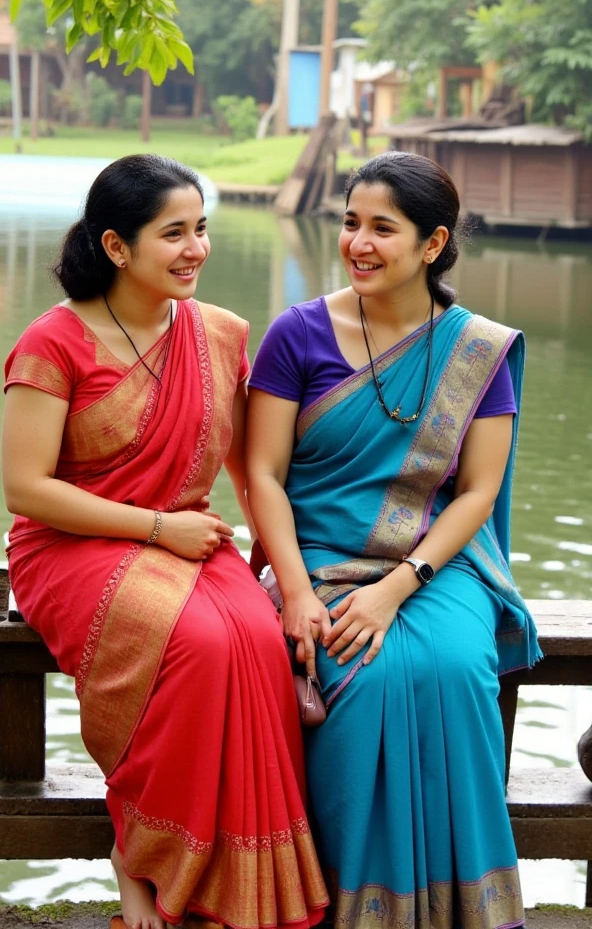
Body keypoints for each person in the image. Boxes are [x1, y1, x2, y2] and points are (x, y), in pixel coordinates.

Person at [2, 155, 329, 929]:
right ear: (117, 247)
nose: (196, 250)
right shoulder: (53, 343)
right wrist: (157, 527)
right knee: (198, 644)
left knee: (251, 640)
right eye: (173, 233)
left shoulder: (219, 334)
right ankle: (142, 855)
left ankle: (231, 881)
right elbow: (24, 488)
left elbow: (254, 474)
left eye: (203, 230)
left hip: (190, 538)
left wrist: (291, 584)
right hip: (73, 543)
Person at [246, 152, 542, 929]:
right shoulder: (298, 334)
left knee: (450, 667)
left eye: (384, 228)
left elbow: (476, 489)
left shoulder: (475, 349)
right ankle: (354, 909)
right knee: (363, 678)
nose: (359, 243)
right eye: (350, 223)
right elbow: (264, 474)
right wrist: (301, 592)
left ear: (433, 243)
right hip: (313, 556)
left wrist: (396, 586)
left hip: (434, 564)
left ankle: (464, 912)